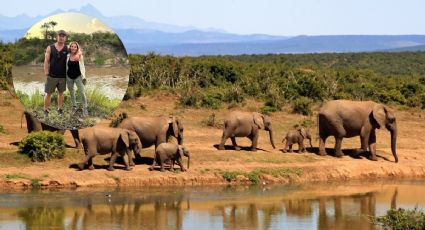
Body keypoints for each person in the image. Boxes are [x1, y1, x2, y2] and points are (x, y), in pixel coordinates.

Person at [43, 29, 68, 117]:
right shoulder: (50, 47)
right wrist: (46, 72)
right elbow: (46, 61)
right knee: (48, 93)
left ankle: (59, 109)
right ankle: (46, 109)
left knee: (61, 93)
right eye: (60, 36)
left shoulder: (67, 48)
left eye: (63, 36)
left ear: (65, 38)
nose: (61, 37)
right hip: (52, 75)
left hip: (63, 76)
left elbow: (77, 53)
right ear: (56, 37)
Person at [66, 41, 88, 116]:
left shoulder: (80, 56)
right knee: (71, 92)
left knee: (81, 92)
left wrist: (84, 76)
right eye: (72, 46)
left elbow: (83, 67)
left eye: (75, 46)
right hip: (69, 77)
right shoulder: (67, 55)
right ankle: (74, 106)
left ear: (77, 48)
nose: (73, 48)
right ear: (70, 47)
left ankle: (85, 108)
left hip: (78, 76)